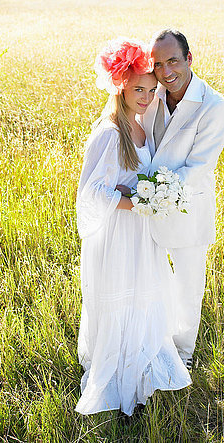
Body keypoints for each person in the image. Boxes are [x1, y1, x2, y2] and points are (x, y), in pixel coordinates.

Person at [75, 38, 191, 417]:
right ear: (120, 87)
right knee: (122, 298)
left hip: (141, 234)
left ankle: (141, 365)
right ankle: (117, 373)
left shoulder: (140, 127)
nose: (146, 96)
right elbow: (92, 192)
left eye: (151, 90)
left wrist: (152, 196)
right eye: (138, 89)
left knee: (144, 295)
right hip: (118, 235)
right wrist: (140, 201)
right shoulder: (110, 133)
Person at [137, 29, 224, 370]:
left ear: (189, 59)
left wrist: (153, 193)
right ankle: (151, 343)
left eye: (173, 60)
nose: (165, 71)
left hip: (187, 208)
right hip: (144, 210)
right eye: (158, 64)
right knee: (149, 280)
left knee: (188, 287)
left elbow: (198, 166)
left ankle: (183, 356)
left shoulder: (215, 106)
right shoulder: (151, 95)